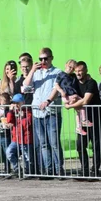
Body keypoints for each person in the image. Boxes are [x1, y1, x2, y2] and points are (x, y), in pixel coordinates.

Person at [22, 48, 64, 176]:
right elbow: (26, 86)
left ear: (51, 58)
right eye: (41, 59)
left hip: (51, 111)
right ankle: (48, 170)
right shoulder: (36, 73)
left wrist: (48, 101)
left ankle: (59, 169)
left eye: (46, 58)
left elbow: (56, 89)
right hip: (37, 113)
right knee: (43, 143)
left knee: (54, 142)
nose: (43, 61)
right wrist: (33, 70)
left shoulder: (58, 72)